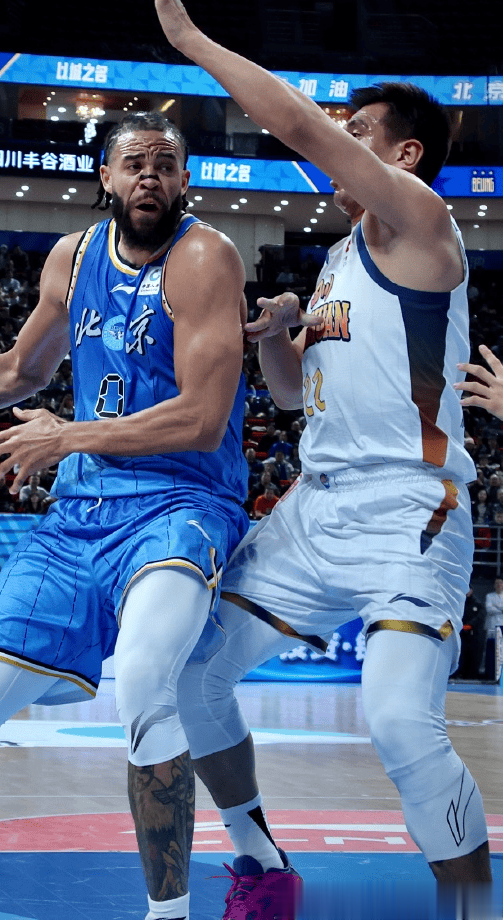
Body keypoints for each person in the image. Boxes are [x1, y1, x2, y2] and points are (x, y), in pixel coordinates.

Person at [153, 2, 492, 916]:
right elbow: (295, 396)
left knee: (399, 722)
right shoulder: (342, 256)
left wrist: (193, 42)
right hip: (315, 508)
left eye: (359, 131)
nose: (341, 138)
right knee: (193, 675)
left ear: (405, 154)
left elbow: (299, 126)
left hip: (410, 510)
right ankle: (263, 862)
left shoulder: (423, 222)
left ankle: (470, 902)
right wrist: (276, 335)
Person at [0, 110, 249, 920]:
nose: (150, 175)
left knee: (147, 683)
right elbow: (19, 369)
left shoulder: (207, 257)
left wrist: (65, 435)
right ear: (105, 178)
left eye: (165, 163)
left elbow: (203, 418)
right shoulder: (73, 257)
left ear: (184, 180)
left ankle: (169, 914)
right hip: (79, 515)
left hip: (181, 503)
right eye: (134, 163)